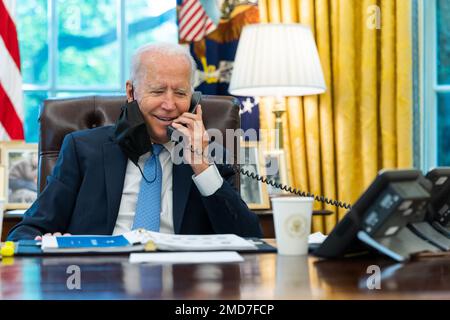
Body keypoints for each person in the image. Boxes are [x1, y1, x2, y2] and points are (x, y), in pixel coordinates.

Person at [7, 43, 262, 241]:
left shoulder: (210, 153)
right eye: (157, 91)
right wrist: (49, 244)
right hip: (101, 283)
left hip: (182, 286)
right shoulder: (82, 149)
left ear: (194, 100)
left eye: (181, 93)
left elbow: (249, 238)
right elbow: (25, 232)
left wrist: (202, 166)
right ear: (131, 92)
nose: (170, 105)